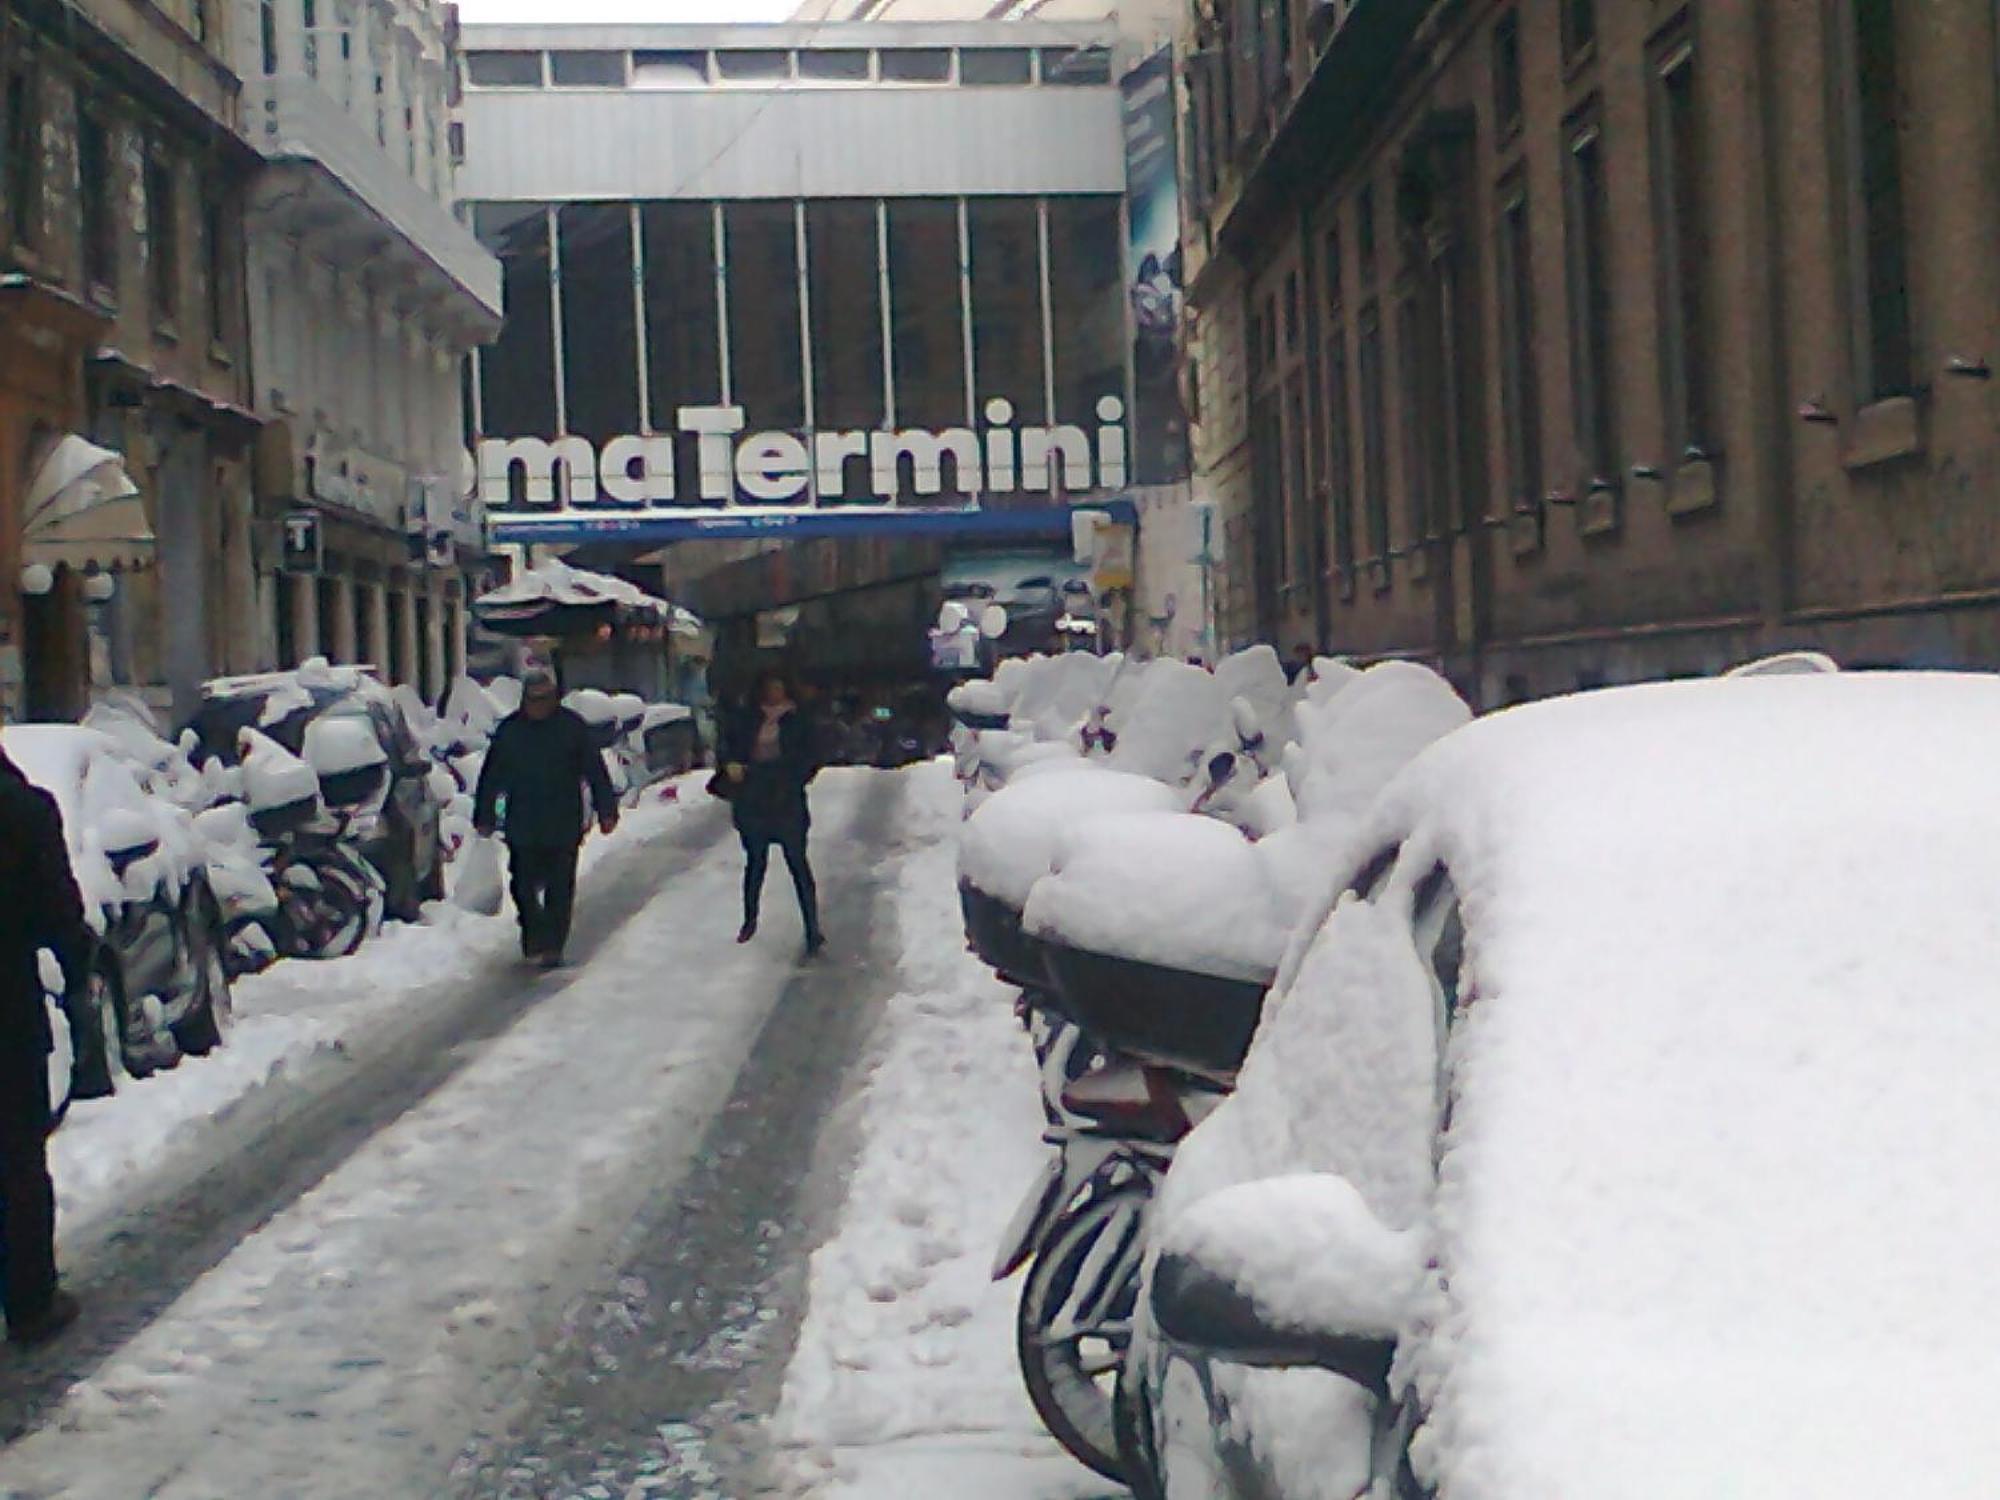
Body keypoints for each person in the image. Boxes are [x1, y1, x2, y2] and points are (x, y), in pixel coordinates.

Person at [0, 715, 92, 1346]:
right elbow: (60, 915)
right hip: (5, 1020)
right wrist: (76, 971)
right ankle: (31, 1300)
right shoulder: (24, 810)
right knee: (15, 1160)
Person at [474, 671, 618, 968]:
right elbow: (491, 775)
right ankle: (532, 929)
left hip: (563, 820)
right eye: (533, 700)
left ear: (554, 699)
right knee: (522, 884)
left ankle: (553, 943)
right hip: (523, 821)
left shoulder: (571, 728)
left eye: (544, 700)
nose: (538, 706)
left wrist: (607, 809)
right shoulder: (511, 731)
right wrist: (484, 813)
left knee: (559, 886)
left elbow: (595, 770)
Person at [721, 669, 824, 956]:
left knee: (797, 862)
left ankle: (812, 927)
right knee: (755, 860)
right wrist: (732, 765)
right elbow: (729, 746)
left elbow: (811, 756)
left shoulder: (798, 719)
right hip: (753, 794)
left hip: (785, 795)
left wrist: (793, 777)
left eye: (778, 687)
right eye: (769, 688)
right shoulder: (746, 717)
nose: (773, 693)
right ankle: (749, 919)